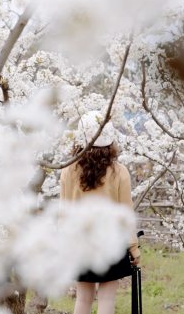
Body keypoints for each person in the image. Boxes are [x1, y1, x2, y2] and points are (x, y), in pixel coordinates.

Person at [60, 111, 140, 314]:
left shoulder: (68, 170)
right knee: (107, 299)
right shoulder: (119, 171)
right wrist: (133, 248)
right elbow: (125, 212)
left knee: (83, 299)